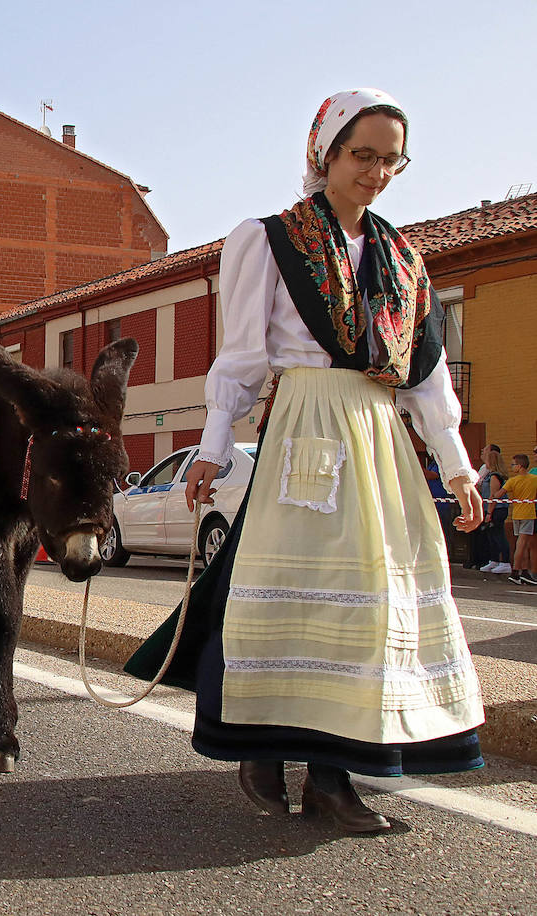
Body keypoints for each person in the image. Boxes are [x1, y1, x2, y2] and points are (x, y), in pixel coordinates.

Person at [126, 90, 484, 834]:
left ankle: (331, 778)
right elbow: (244, 356)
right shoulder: (269, 239)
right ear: (324, 155)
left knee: (370, 607)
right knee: (290, 597)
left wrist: (453, 464)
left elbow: (423, 371)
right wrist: (214, 448)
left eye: (391, 159)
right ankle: (262, 752)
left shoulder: (404, 259)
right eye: (363, 155)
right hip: (305, 426)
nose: (377, 172)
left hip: (379, 437)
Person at [494, 454, 537, 585]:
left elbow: (498, 495)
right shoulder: (534, 479)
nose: (512, 467)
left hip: (516, 515)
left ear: (519, 466)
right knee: (521, 545)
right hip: (528, 515)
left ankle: (523, 572)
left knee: (521, 544)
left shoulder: (512, 481)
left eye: (513, 465)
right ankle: (515, 572)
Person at [475, 445, 511, 575]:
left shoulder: (494, 476)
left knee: (498, 535)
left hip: (497, 509)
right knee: (491, 535)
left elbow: (493, 495)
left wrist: (490, 512)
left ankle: (505, 562)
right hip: (489, 508)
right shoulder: (488, 475)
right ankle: (494, 560)